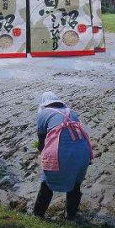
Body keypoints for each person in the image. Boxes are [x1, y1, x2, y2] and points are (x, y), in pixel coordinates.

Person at [33, 92, 93, 220]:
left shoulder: (43, 114)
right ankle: (70, 217)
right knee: (75, 184)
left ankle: (37, 216)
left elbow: (41, 143)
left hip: (59, 152)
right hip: (83, 152)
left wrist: (42, 157)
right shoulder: (72, 113)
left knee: (47, 184)